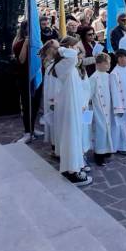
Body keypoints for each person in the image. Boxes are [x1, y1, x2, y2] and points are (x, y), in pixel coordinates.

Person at [50, 38, 92, 186]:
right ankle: (72, 170)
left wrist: (85, 103)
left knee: (78, 137)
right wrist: (60, 48)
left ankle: (77, 164)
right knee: (71, 138)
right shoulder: (63, 65)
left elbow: (84, 87)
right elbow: (72, 56)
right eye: (75, 46)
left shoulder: (72, 66)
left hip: (79, 107)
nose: (78, 50)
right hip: (69, 109)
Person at [85, 53, 113, 166]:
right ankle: (98, 155)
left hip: (107, 108)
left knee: (107, 130)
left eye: (109, 63)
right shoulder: (93, 78)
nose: (108, 65)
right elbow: (88, 96)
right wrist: (87, 116)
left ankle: (106, 151)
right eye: (106, 63)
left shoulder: (108, 76)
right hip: (97, 109)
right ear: (99, 64)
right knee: (99, 131)